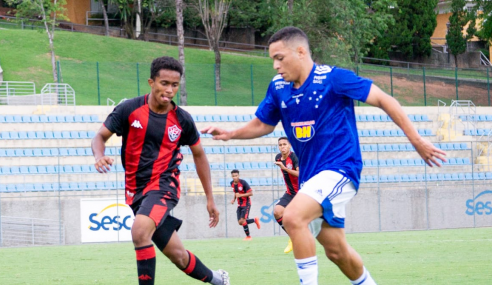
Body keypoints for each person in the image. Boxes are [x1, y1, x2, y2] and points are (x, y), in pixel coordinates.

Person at [201, 27, 446, 285]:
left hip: (340, 169)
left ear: (301, 51)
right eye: (272, 59)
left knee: (292, 216)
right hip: (311, 179)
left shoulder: (333, 78)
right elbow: (264, 124)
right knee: (336, 252)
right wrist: (231, 133)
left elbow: (385, 100)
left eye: (279, 58)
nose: (275, 65)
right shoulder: (278, 87)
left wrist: (417, 140)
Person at [91, 56, 229, 285]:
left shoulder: (182, 120)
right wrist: (99, 155)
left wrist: (210, 198)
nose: (169, 90)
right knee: (178, 256)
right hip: (137, 192)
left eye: (175, 85)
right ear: (151, 82)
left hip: (164, 186)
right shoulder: (129, 109)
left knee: (139, 232)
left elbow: (199, 155)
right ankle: (219, 280)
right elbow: (99, 137)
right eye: (164, 83)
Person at [274, 136, 299, 253]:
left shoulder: (294, 157)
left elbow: (300, 174)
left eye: (284, 144)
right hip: (290, 193)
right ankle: (293, 238)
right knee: (277, 212)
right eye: (280, 145)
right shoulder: (278, 157)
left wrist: (285, 168)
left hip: (302, 193)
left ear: (289, 146)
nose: (282, 146)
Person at [230, 169, 261, 240]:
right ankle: (254, 220)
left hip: (246, 204)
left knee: (242, 221)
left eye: (236, 175)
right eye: (233, 176)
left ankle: (248, 236)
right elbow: (236, 192)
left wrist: (241, 195)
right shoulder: (231, 183)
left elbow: (251, 193)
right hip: (239, 205)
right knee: (240, 222)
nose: (234, 177)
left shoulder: (243, 183)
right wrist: (234, 199)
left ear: (238, 175)